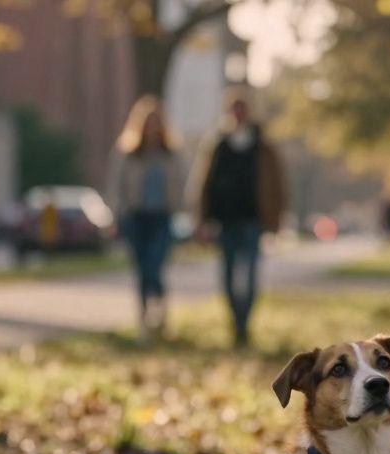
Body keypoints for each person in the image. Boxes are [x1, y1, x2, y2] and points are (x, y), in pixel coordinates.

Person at [195, 93, 287, 349]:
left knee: (248, 275)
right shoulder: (218, 145)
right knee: (227, 275)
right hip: (225, 221)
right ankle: (235, 321)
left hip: (252, 220)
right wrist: (202, 219)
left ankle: (245, 323)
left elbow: (277, 185)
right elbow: (204, 183)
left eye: (242, 109)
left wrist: (276, 219)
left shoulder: (263, 147)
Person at [108, 95, 186, 340]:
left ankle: (160, 315)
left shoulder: (170, 155)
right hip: (136, 218)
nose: (152, 127)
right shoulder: (129, 154)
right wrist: (115, 215)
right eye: (148, 122)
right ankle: (143, 319)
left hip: (161, 217)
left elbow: (181, 185)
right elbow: (115, 186)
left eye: (156, 122)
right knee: (142, 270)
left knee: (156, 266)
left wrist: (181, 209)